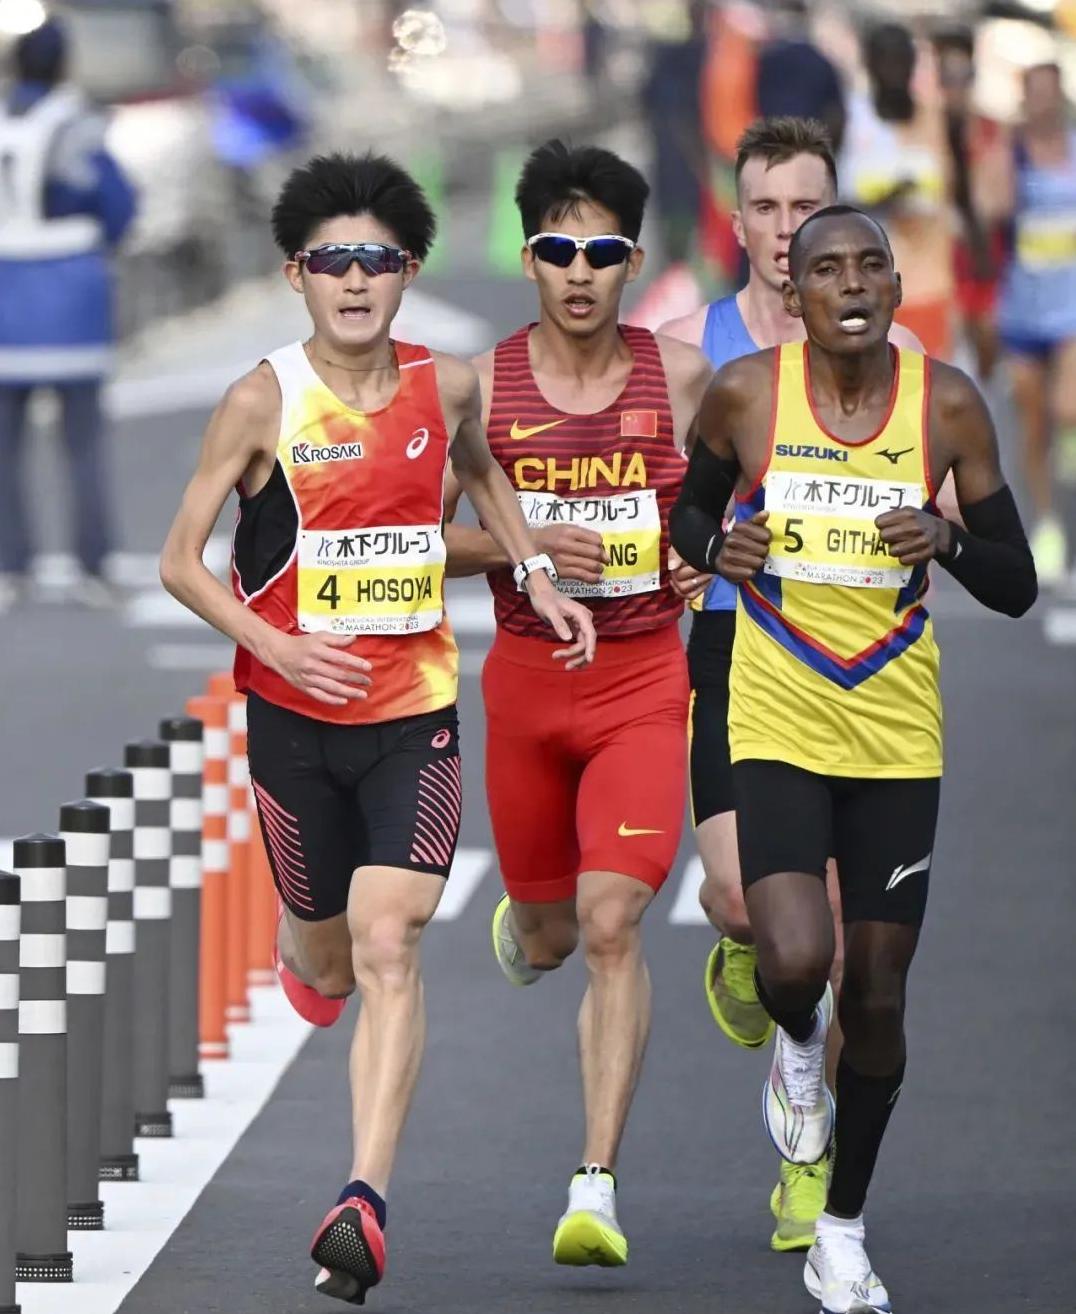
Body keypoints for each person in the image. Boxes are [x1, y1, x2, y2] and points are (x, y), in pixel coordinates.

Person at [159, 150, 595, 1305]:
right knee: (328, 957)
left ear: (407, 272)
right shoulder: (260, 400)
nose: (355, 280)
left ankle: (363, 1199)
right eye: (332, 261)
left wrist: (535, 572)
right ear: (295, 276)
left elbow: (483, 476)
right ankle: (304, 953)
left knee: (390, 940)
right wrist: (272, 645)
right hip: (293, 724)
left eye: (377, 260)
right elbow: (179, 562)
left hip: (414, 717)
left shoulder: (445, 387)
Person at [671, 203, 1036, 1312]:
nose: (849, 285)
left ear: (893, 286)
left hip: (894, 730)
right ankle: (796, 1042)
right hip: (778, 710)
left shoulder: (947, 405)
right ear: (793, 291)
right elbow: (686, 518)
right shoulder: (746, 396)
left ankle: (840, 1230)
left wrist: (949, 540)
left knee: (877, 994)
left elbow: (1017, 583)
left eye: (868, 267)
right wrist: (719, 545)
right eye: (824, 269)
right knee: (793, 961)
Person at [443, 139, 712, 1267]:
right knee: (553, 935)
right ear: (529, 260)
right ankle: (527, 920)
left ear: (631, 262)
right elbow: (419, 541)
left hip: (643, 683)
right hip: (524, 685)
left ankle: (594, 1184)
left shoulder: (683, 377)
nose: (580, 271)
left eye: (603, 252)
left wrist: (703, 551)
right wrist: (522, 545)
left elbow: (732, 504)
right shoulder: (478, 387)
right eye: (558, 249)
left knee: (611, 924)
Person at [660, 115, 922, 1253]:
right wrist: (683, 554)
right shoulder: (687, 347)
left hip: (858, 668)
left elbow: (939, 499)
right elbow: (665, 505)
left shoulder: (902, 365)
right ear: (736, 222)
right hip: (734, 652)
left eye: (803, 208)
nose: (782, 230)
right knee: (743, 906)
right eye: (763, 208)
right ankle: (752, 956)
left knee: (841, 948)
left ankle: (807, 1171)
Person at [0, 16, 137, 612]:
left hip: (5, 293)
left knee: (6, 449)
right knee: (82, 444)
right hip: (72, 296)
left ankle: (10, 566)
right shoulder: (74, 122)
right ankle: (93, 564)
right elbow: (117, 203)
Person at [996, 61, 1076, 586]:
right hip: (1023, 307)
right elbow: (994, 207)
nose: (1043, 104)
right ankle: (1047, 524)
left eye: (1050, 93)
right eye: (1034, 95)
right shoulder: (1012, 152)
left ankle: (1070, 451)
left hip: (1070, 306)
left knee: (1066, 408)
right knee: (1033, 426)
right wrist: (1006, 149)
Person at [840, 22, 956, 361]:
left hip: (928, 285)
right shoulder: (848, 119)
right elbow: (830, 202)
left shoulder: (936, 119)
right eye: (884, 60)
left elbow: (956, 191)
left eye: (901, 60)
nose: (894, 71)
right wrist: (882, 201)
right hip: (865, 288)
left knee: (926, 383)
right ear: (868, 63)